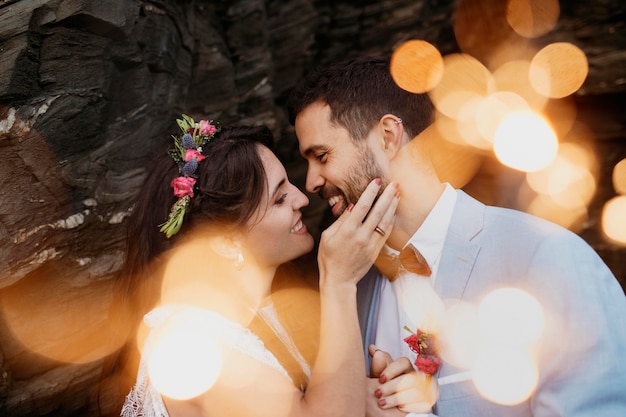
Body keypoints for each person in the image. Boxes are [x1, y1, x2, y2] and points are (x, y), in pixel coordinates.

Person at [287, 55, 626, 417]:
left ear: (388, 136)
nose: (311, 183)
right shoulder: (352, 287)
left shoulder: (545, 258)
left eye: (322, 155)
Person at [115, 115, 400, 417]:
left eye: (289, 183)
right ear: (225, 242)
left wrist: (366, 393)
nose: (302, 199)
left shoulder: (257, 314)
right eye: (279, 198)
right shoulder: (194, 348)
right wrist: (339, 283)